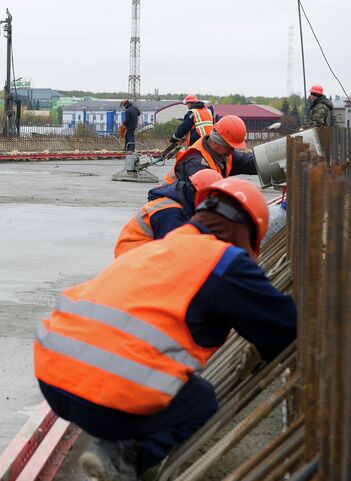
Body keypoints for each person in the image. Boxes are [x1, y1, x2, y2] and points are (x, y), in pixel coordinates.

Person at [34, 178, 297, 480]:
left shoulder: (162, 246)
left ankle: (114, 442)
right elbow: (284, 327)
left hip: (53, 380)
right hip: (103, 397)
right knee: (199, 401)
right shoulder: (224, 262)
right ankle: (121, 456)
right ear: (246, 232)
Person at [113, 169, 222, 257]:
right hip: (131, 259)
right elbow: (171, 253)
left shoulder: (181, 201)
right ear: (199, 194)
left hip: (137, 255)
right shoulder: (171, 213)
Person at [163, 115, 256, 186]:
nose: (232, 151)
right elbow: (207, 201)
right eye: (230, 147)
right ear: (217, 141)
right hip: (169, 208)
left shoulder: (223, 155)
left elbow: (252, 163)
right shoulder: (195, 164)